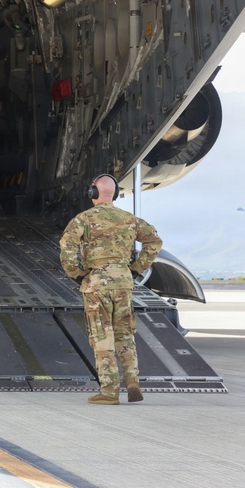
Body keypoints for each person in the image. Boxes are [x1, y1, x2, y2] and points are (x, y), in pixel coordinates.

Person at [59, 174, 163, 405]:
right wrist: (137, 267)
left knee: (102, 335)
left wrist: (77, 273)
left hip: (97, 284)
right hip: (124, 283)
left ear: (92, 193)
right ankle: (133, 380)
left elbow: (67, 247)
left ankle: (109, 390)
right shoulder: (130, 219)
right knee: (124, 334)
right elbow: (154, 241)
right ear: (114, 193)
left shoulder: (83, 219)